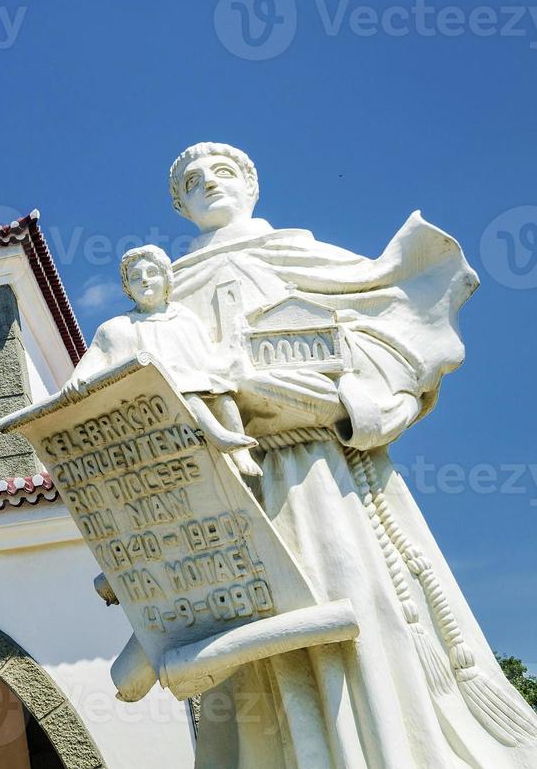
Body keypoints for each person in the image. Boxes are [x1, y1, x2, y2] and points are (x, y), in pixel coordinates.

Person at [162, 141, 535, 769]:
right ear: (180, 207)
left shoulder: (299, 256)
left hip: (322, 473)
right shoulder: (168, 293)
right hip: (236, 493)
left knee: (362, 610)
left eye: (223, 173)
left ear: (252, 186)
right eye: (192, 183)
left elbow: (388, 333)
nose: (209, 186)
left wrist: (354, 406)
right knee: (259, 656)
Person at [68, 244, 262, 480]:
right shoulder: (116, 327)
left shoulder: (184, 318)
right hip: (148, 398)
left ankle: (241, 452)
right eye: (135, 277)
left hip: (197, 387)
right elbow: (94, 359)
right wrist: (76, 379)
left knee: (224, 398)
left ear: (166, 278)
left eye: (152, 273)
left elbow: (205, 358)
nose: (145, 281)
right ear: (127, 287)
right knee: (182, 386)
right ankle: (218, 435)